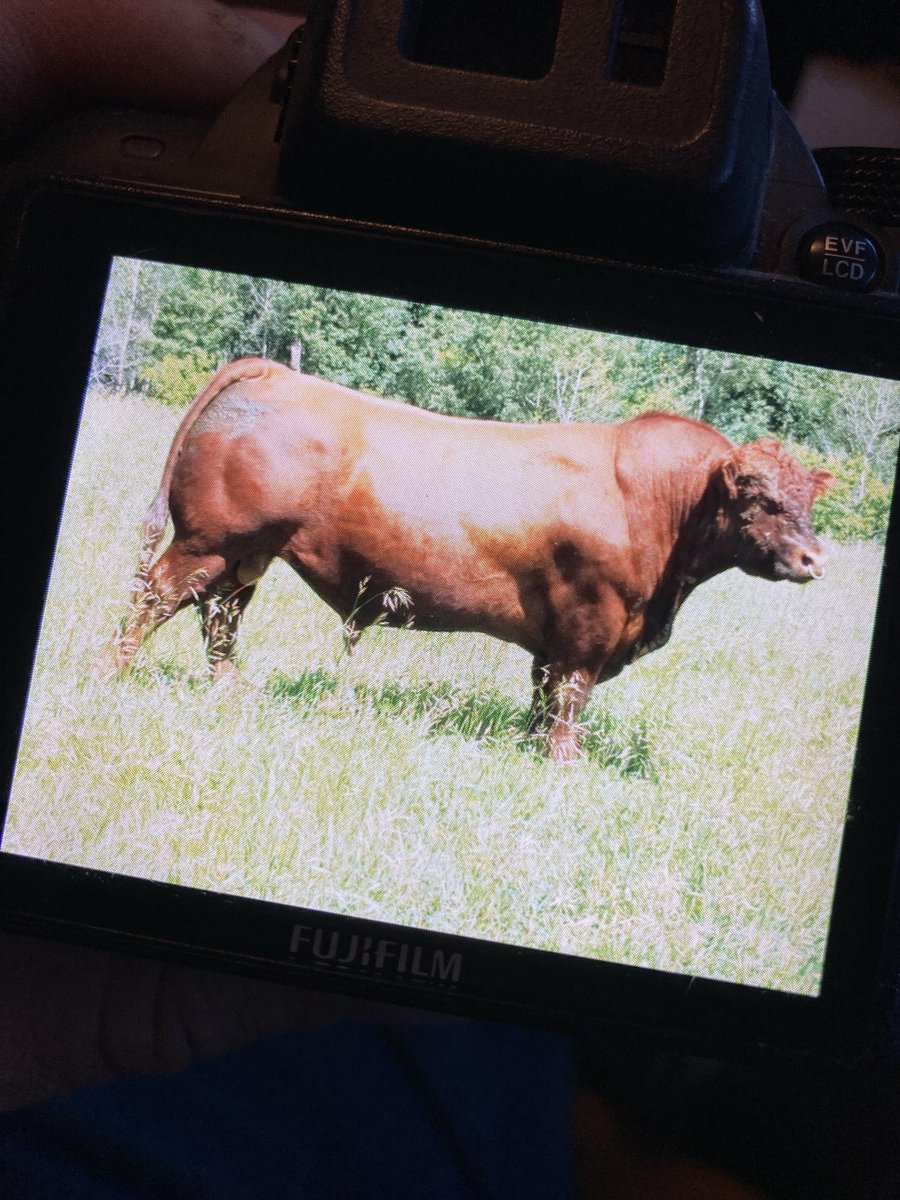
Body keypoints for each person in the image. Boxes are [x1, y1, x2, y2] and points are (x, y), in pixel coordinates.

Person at [0, 2, 897, 1196]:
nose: (802, 547)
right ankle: (119, 661)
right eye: (781, 520)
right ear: (733, 500)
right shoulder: (341, 441)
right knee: (212, 561)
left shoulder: (670, 485)